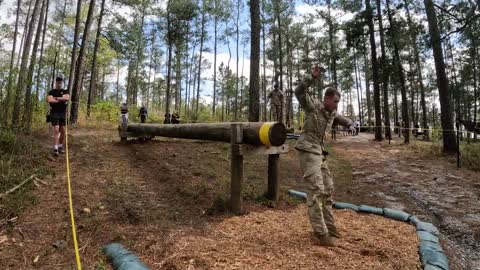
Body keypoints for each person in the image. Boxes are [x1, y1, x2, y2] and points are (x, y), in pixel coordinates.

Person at [295, 65, 356, 247]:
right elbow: (299, 92)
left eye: (338, 102)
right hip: (308, 150)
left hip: (319, 153)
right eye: (336, 101)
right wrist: (311, 78)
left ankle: (330, 228)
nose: (337, 105)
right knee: (316, 191)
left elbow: (338, 117)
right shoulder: (313, 106)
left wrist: (350, 124)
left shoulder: (331, 112)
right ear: (327, 99)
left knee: (328, 189)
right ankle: (321, 234)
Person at [47, 76, 70, 157]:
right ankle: (55, 148)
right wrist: (61, 99)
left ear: (62, 83)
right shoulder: (51, 92)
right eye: (58, 82)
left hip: (63, 113)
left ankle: (60, 146)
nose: (59, 84)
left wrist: (56, 98)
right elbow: (49, 100)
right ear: (55, 83)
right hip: (54, 113)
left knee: (63, 130)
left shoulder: (65, 91)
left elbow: (67, 98)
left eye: (60, 83)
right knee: (56, 130)